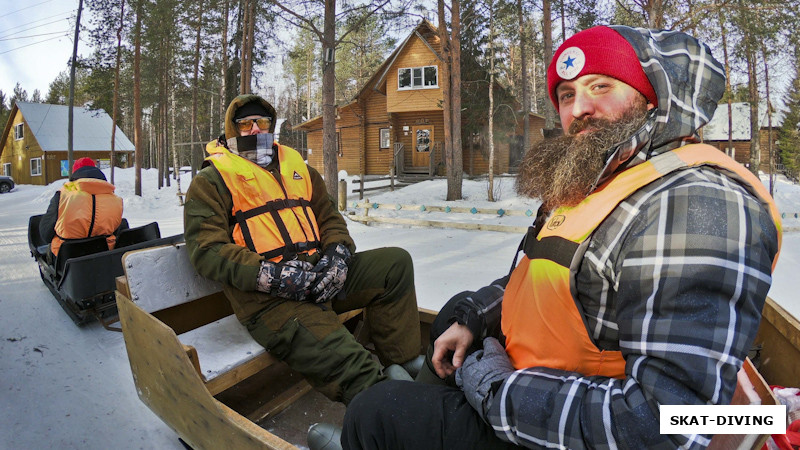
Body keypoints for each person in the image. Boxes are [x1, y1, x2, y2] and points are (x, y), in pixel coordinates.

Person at [340, 25, 782, 449]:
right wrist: (476, 315)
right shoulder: (600, 180)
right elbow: (549, 276)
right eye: (567, 95)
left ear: (651, 100)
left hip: (586, 428)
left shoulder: (691, 205)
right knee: (453, 317)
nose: (578, 109)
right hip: (541, 374)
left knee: (375, 411)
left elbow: (668, 424)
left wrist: (497, 390)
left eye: (601, 86)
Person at [183, 95, 423, 412]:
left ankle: (404, 363)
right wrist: (275, 276)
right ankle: (390, 415)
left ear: (272, 126)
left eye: (262, 122)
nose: (255, 129)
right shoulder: (212, 180)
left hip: (318, 279)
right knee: (353, 365)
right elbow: (206, 249)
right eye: (245, 124)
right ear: (233, 130)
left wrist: (337, 256)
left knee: (395, 264)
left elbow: (331, 219)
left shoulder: (299, 170)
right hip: (269, 301)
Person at [39, 157, 123, 258]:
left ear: (75, 174)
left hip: (67, 259)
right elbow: (116, 230)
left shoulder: (63, 196)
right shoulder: (116, 200)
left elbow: (45, 233)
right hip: (103, 257)